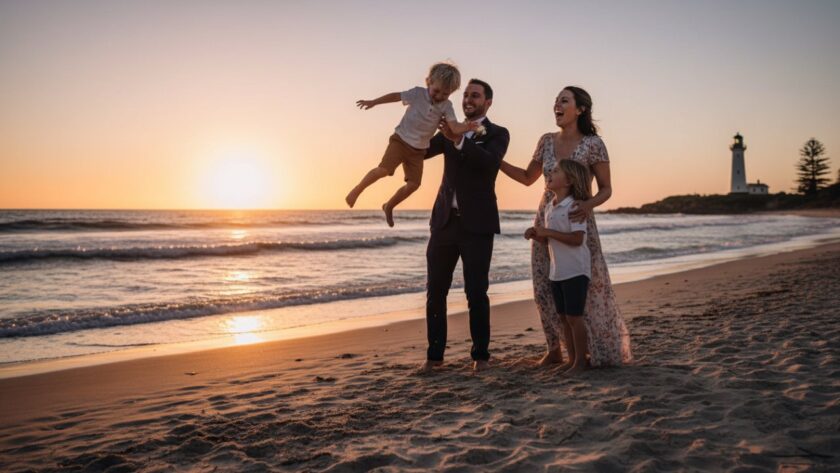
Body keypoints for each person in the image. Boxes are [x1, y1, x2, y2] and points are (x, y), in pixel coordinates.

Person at [500, 86, 632, 368]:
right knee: (545, 285)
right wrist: (494, 161)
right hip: (545, 218)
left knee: (586, 287)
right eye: (555, 100)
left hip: (578, 218)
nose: (556, 105)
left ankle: (590, 352)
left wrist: (588, 205)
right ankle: (555, 348)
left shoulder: (594, 143)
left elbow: (607, 188)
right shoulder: (546, 141)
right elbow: (526, 177)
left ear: (580, 109)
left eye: (564, 100)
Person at [421, 78, 510, 373]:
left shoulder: (498, 134)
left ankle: (480, 356)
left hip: (478, 225)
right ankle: (434, 358)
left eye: (475, 95)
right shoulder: (448, 129)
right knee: (435, 292)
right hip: (444, 222)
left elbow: (488, 164)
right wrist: (415, 126)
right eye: (466, 95)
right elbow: (421, 150)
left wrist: (458, 138)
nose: (468, 100)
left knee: (476, 292)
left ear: (488, 102)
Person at [345, 62, 476, 227]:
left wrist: (467, 126)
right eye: (436, 91)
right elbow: (395, 96)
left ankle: (389, 205)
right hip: (400, 140)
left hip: (419, 150)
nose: (439, 96)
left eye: (445, 94)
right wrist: (374, 102)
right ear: (429, 82)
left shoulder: (446, 106)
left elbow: (454, 126)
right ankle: (358, 189)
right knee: (383, 170)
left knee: (414, 185)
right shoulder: (417, 94)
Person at [524, 160, 592, 376]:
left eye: (555, 171)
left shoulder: (574, 206)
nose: (549, 174)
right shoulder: (550, 206)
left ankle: (581, 361)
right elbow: (551, 241)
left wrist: (548, 233)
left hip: (575, 270)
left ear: (569, 181)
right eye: (550, 170)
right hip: (557, 271)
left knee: (574, 317)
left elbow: (577, 239)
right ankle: (571, 359)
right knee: (563, 317)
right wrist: (537, 235)